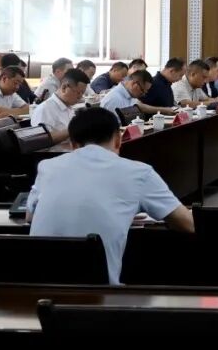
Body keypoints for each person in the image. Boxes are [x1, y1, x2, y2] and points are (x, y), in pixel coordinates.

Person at [26, 107, 195, 284]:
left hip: (37, 284)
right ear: (118, 139)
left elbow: (30, 216)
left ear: (72, 144)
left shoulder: (47, 166)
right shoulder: (139, 172)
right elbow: (187, 224)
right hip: (98, 290)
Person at [29, 68, 91, 143]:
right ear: (64, 88)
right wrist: (74, 129)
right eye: (78, 93)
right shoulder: (45, 109)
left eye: (82, 93)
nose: (80, 97)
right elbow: (41, 140)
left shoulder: (69, 107)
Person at [100, 70, 179, 117]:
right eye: (142, 90)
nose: (143, 94)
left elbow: (140, 106)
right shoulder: (114, 99)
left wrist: (165, 110)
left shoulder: (129, 95)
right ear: (134, 84)